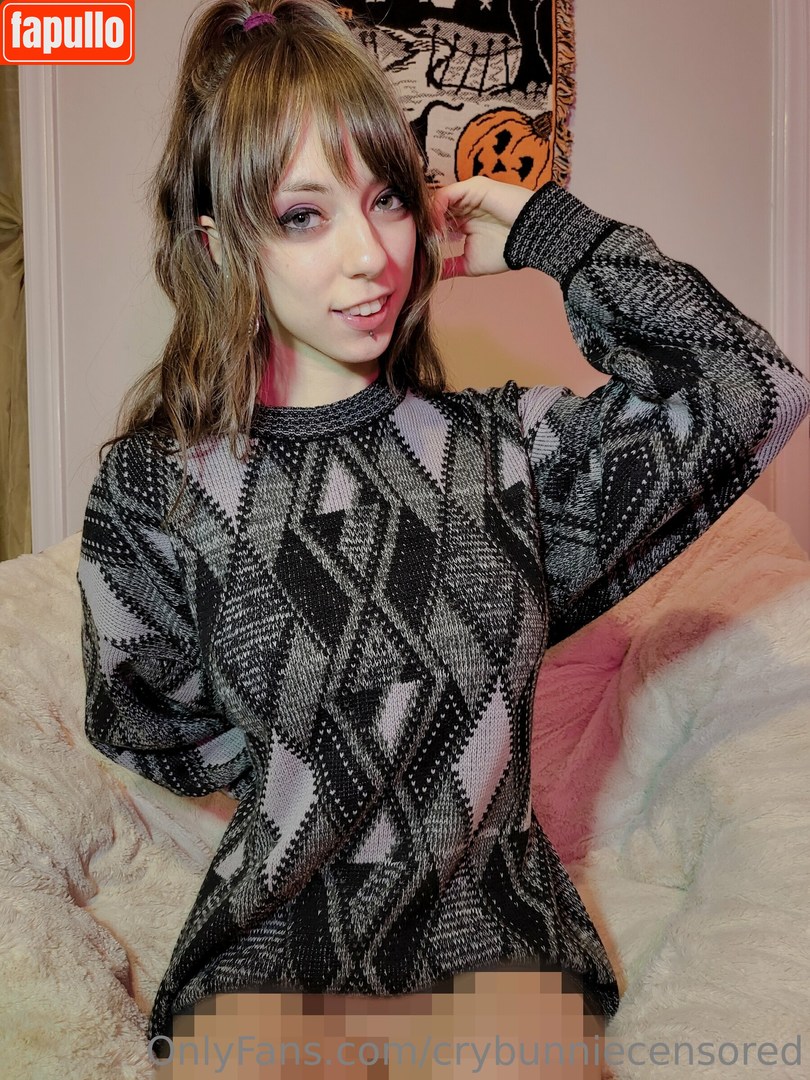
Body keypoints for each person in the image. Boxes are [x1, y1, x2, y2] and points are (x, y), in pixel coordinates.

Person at [75, 0, 810, 1076]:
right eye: (303, 215)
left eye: (387, 199)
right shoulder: (154, 490)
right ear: (220, 241)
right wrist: (310, 762)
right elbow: (141, 717)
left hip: (496, 948)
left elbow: (755, 387)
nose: (371, 255)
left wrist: (552, 234)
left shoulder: (507, 456)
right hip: (272, 951)